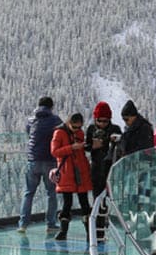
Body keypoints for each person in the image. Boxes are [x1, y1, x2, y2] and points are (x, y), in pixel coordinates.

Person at [18, 96, 62, 232]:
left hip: (33, 160)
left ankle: (23, 224)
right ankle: (51, 224)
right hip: (50, 161)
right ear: (51, 107)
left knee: (28, 193)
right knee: (51, 193)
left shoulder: (31, 120)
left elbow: (28, 134)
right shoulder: (56, 120)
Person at [50, 112, 93, 241]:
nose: (77, 130)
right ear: (69, 123)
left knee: (84, 202)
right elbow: (54, 151)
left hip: (80, 170)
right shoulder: (59, 133)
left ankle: (89, 232)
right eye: (74, 127)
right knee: (67, 203)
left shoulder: (79, 133)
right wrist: (71, 147)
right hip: (67, 171)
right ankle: (63, 231)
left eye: (79, 127)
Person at [119, 99, 156, 207]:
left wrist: (128, 153)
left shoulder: (144, 127)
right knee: (134, 189)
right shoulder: (132, 127)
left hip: (142, 163)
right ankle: (134, 207)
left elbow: (145, 146)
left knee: (141, 189)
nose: (125, 121)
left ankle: (140, 209)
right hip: (133, 164)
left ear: (133, 116)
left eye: (126, 119)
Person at [85, 101, 122, 201]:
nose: (102, 124)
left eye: (105, 121)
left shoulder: (115, 129)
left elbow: (122, 146)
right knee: (97, 195)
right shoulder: (91, 129)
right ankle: (98, 215)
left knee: (111, 195)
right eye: (99, 121)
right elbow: (86, 146)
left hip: (111, 167)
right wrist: (92, 146)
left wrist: (112, 141)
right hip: (96, 167)